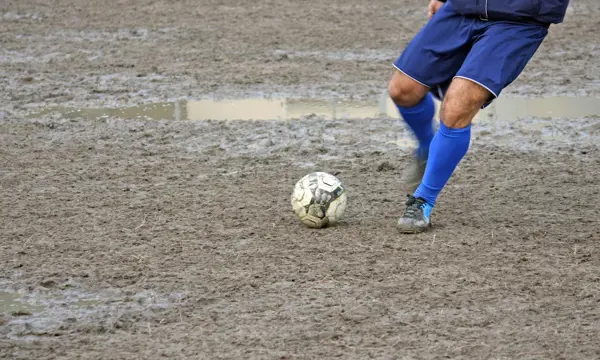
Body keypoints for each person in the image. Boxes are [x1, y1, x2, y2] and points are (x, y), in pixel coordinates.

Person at [391, 0, 570, 233]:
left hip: (518, 19)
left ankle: (423, 200)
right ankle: (427, 150)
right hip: (462, 8)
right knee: (403, 90)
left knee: (458, 106)